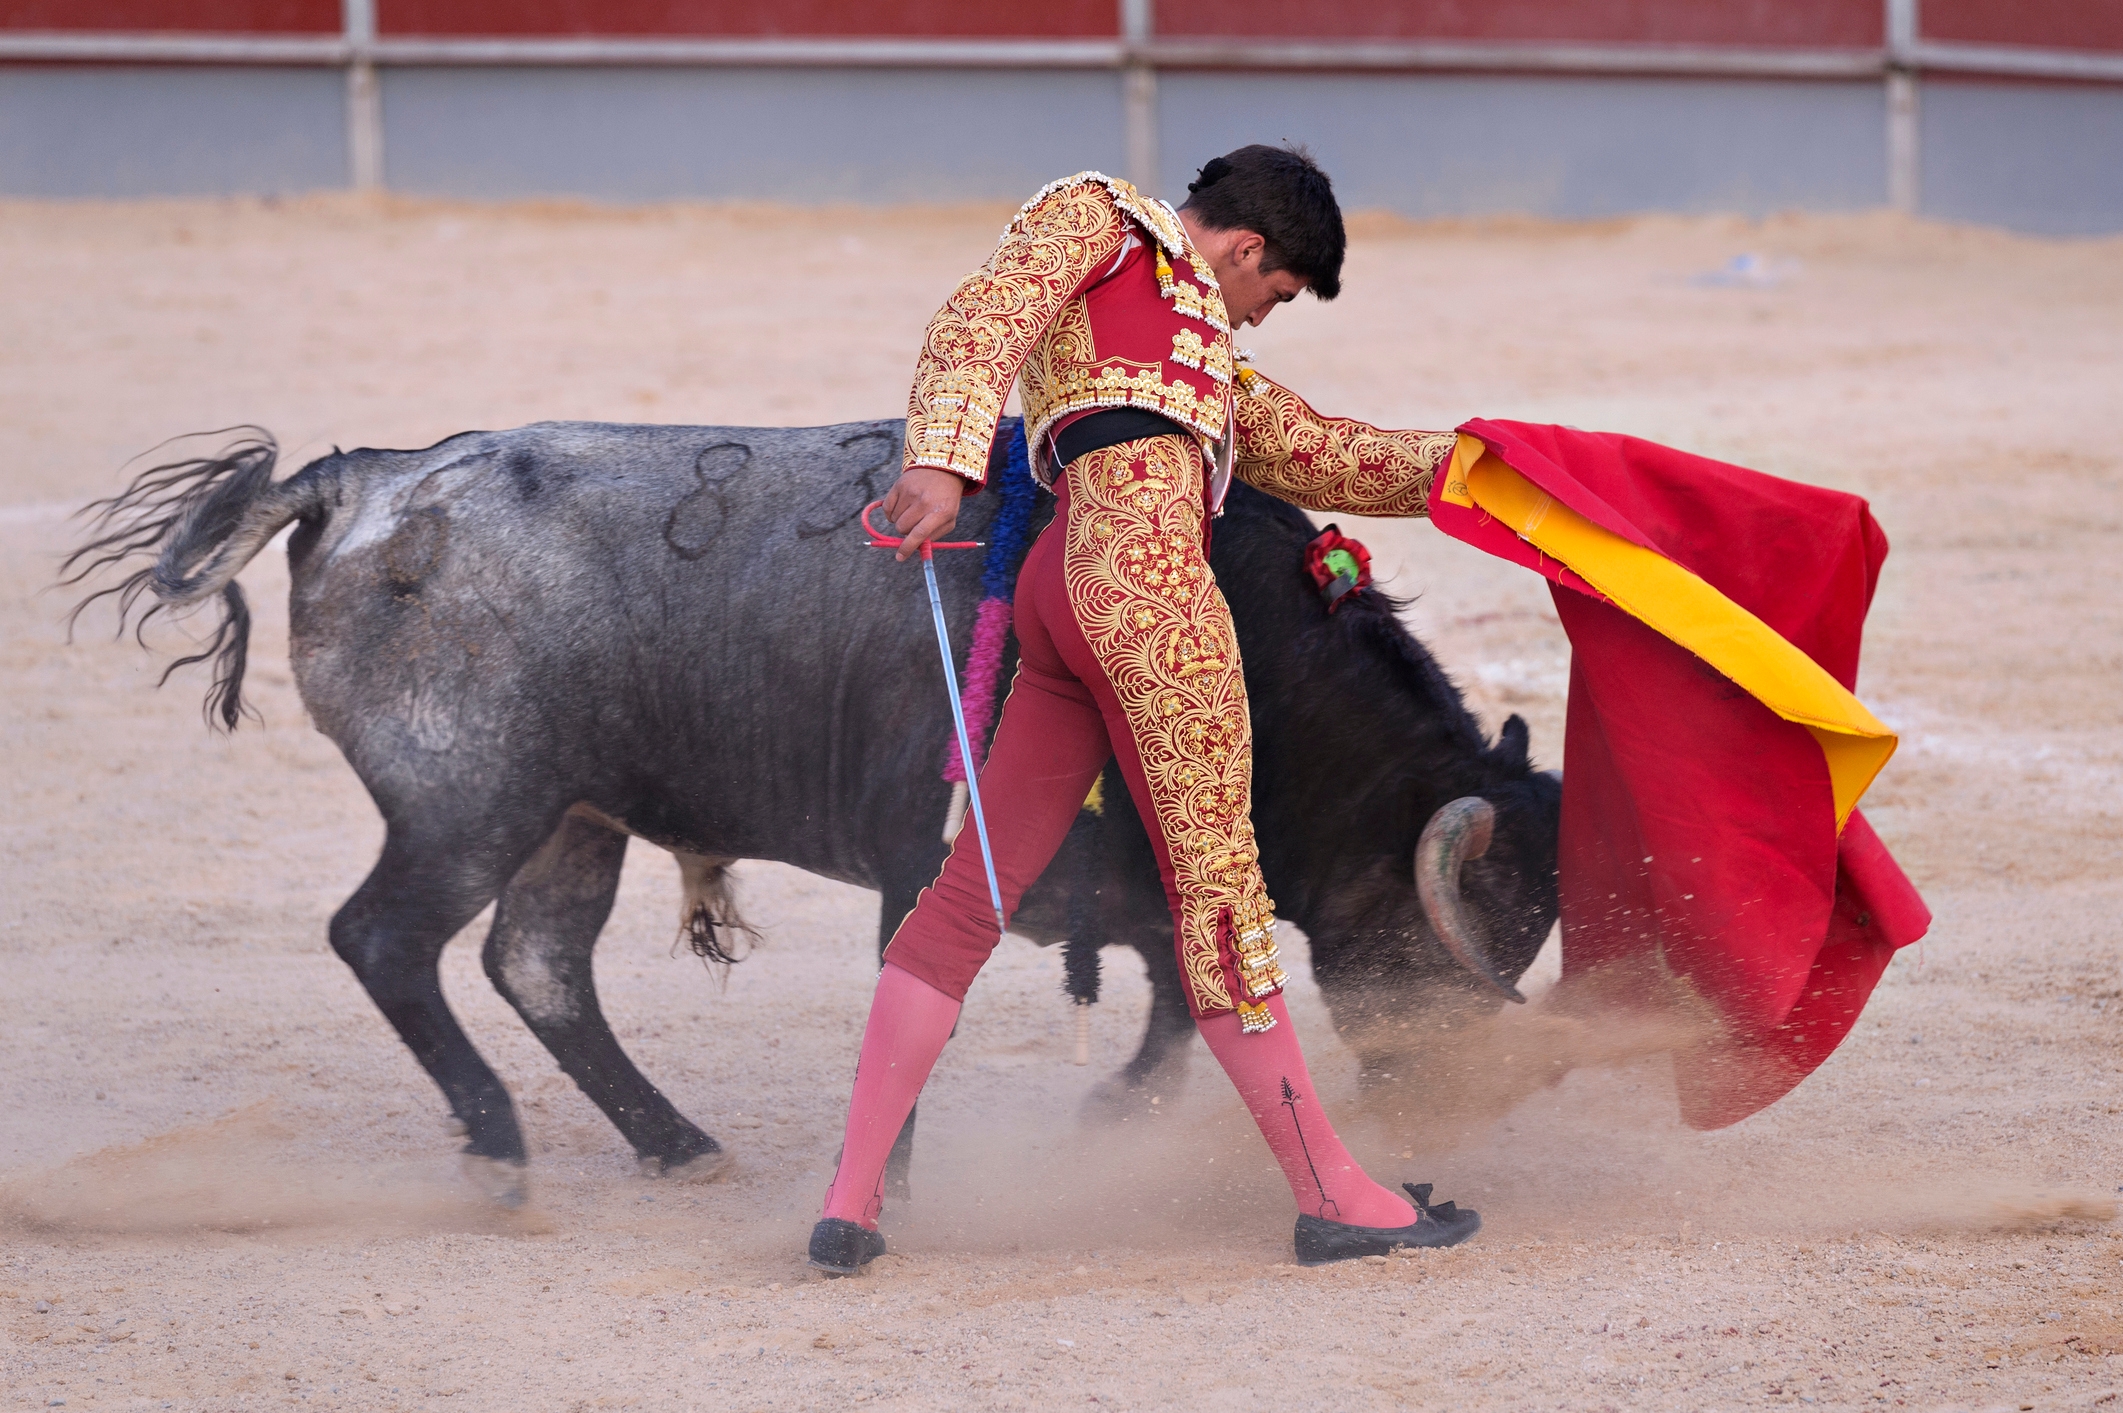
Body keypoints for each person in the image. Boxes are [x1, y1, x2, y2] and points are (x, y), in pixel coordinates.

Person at [811, 144, 1477, 1273]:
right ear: (1247, 247)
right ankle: (1333, 1198)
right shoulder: (1103, 217)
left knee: (968, 894)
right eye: (1274, 294)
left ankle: (851, 1203)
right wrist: (939, 460)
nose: (1261, 318)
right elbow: (984, 315)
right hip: (1148, 588)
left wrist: (1497, 472)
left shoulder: (1197, 346)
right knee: (1219, 899)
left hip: (1061, 583)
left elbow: (1327, 457)